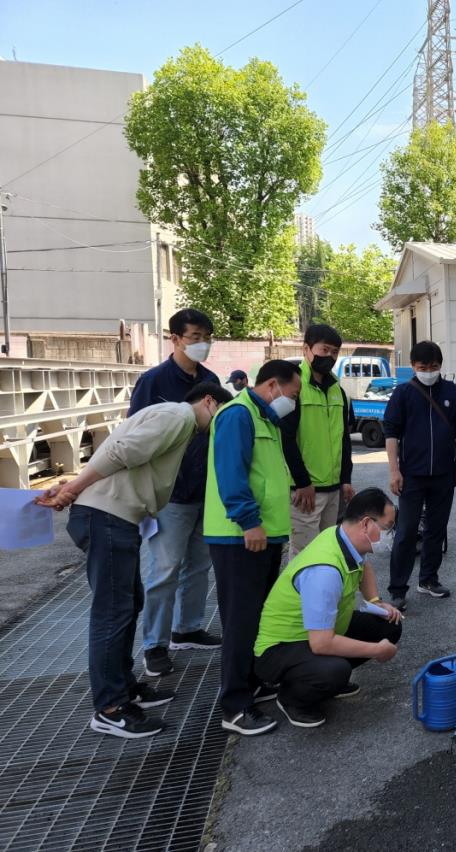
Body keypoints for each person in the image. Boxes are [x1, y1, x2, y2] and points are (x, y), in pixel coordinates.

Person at [37, 383, 232, 739]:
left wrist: (73, 486)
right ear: (208, 401)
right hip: (107, 515)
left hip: (116, 516)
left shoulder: (172, 417)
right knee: (113, 611)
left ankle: (125, 689)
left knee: (128, 604)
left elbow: (114, 448)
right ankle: (110, 708)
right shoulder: (179, 415)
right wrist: (72, 489)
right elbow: (123, 451)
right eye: (222, 413)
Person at [204, 359, 302, 737]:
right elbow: (232, 474)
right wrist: (249, 521)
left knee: (256, 619)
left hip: (264, 535)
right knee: (240, 622)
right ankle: (235, 705)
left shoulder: (265, 419)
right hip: (241, 537)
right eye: (291, 394)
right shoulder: (238, 415)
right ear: (273, 385)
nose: (291, 401)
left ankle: (250, 682)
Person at [253, 488, 402, 728]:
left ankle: (319, 677)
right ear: (366, 524)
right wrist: (376, 651)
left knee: (389, 625)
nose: (390, 534)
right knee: (334, 671)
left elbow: (364, 568)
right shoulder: (325, 572)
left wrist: (376, 602)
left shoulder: (341, 535)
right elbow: (321, 643)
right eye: (387, 527)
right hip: (280, 648)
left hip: (318, 633)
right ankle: (292, 698)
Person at [128, 308, 222, 680]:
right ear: (175, 339)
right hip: (169, 495)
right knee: (165, 570)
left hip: (206, 492)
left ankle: (188, 628)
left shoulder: (212, 380)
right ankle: (154, 644)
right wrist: (144, 496)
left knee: (199, 565)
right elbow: (134, 439)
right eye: (195, 336)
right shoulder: (153, 382)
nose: (202, 343)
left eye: (207, 337)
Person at [383, 341, 456, 611]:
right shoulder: (403, 393)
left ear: (440, 366)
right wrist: (394, 470)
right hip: (412, 475)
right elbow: (391, 434)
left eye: (434, 367)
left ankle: (429, 579)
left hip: (444, 474)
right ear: (413, 366)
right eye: (423, 367)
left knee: (437, 528)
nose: (429, 371)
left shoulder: (452, 392)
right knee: (407, 531)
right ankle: (398, 589)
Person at [280, 324, 354, 560]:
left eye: (334, 352)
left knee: (326, 553)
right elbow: (286, 439)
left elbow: (344, 438)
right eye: (325, 349)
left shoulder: (338, 391)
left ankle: (320, 598)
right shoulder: (294, 388)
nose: (329, 357)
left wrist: (345, 479)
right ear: (306, 349)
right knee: (304, 555)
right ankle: (297, 599)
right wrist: (302, 482)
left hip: (333, 490)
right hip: (305, 491)